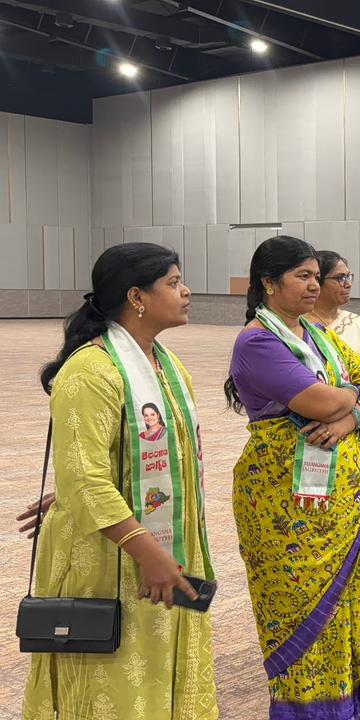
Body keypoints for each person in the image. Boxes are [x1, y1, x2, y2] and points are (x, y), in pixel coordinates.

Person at [23, 242, 217, 718]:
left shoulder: (168, 368)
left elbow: (152, 460)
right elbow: (86, 479)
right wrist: (149, 552)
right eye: (173, 283)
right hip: (111, 560)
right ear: (137, 297)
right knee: (112, 686)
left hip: (163, 550)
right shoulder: (90, 372)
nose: (186, 291)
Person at [227, 235, 360, 719]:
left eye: (316, 276)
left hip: (346, 508)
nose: (314, 285)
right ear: (268, 283)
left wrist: (350, 416)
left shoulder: (318, 336)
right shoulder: (257, 342)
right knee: (305, 616)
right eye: (302, 276)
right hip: (287, 510)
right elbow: (321, 402)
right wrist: (347, 398)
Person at [306, 251, 360, 407]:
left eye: (348, 277)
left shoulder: (355, 324)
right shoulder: (299, 327)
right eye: (340, 278)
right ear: (316, 281)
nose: (348, 283)